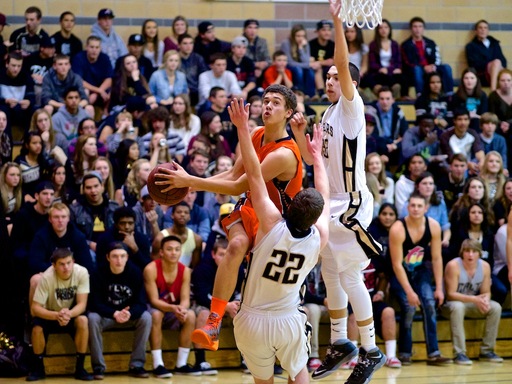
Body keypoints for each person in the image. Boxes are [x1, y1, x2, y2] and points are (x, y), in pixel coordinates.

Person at [156, 83, 303, 351]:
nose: (268, 105)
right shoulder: (257, 134)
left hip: (277, 222)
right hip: (251, 208)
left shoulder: (284, 154)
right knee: (234, 245)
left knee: (265, 292)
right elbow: (233, 175)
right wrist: (194, 184)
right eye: (265, 100)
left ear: (288, 112)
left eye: (276, 103)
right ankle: (213, 322)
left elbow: (240, 185)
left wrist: (193, 179)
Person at [290, 1, 385, 381]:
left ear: (348, 83)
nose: (330, 80)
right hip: (332, 203)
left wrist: (337, 21)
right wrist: (300, 138)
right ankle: (342, 342)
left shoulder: (351, 106)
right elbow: (317, 163)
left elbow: (343, 65)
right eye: (326, 77)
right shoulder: (327, 114)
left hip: (352, 205)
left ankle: (372, 350)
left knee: (348, 277)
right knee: (329, 271)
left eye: (335, 76)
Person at [229, 89, 328, 383]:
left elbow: (255, 178)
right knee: (299, 374)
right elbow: (324, 192)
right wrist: (317, 158)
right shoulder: (318, 240)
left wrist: (242, 130)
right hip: (288, 319)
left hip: (250, 319)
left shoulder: (272, 223)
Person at [389, 193, 453, 365]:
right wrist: (409, 291)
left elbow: (437, 258)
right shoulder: (398, 228)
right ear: (408, 207)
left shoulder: (433, 226)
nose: (416, 209)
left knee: (430, 304)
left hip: (421, 271)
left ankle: (434, 353)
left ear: (426, 208)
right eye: (413, 206)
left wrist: (439, 287)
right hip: (399, 272)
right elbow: (396, 265)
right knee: (409, 307)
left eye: (419, 206)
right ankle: (404, 352)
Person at [88, 241, 152, 379]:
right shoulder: (98, 273)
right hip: (107, 316)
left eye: (122, 256)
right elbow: (94, 303)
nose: (119, 260)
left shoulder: (135, 273)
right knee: (92, 318)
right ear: (108, 257)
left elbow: (141, 303)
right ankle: (98, 367)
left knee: (146, 317)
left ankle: (137, 365)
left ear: (127, 257)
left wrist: (129, 313)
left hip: (128, 315)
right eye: (115, 256)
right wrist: (113, 313)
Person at [26, 248, 92, 381]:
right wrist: (56, 315)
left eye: (68, 263)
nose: (66, 267)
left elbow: (82, 304)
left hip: (70, 314)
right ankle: (39, 369)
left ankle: (80, 368)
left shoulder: (82, 272)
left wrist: (68, 314)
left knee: (83, 320)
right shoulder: (46, 277)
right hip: (50, 314)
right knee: (37, 328)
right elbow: (35, 309)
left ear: (73, 262)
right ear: (54, 265)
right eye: (61, 264)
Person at [143, 235, 201, 377]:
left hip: (174, 310)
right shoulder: (151, 269)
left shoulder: (185, 271)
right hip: (156, 308)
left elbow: (186, 299)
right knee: (156, 314)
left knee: (191, 315)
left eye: (177, 249)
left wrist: (181, 309)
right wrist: (173, 308)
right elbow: (153, 300)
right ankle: (158, 364)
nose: (173, 252)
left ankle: (181, 364)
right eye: (169, 249)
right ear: (161, 252)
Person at [442, 239, 503, 364]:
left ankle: (487, 351)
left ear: (479, 253)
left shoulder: (485, 266)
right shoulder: (453, 265)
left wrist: (485, 300)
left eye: (474, 251)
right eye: (467, 251)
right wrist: (475, 299)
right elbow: (450, 294)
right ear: (462, 253)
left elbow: (486, 291)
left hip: (470, 303)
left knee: (495, 307)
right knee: (458, 307)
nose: (470, 255)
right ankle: (459, 353)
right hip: (449, 305)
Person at [192, 238, 236, 374]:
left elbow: (241, 291)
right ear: (213, 254)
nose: (224, 258)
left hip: (228, 305)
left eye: (227, 254)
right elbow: (202, 297)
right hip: (202, 304)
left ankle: (246, 359)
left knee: (242, 313)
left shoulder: (236, 269)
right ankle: (200, 361)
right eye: (221, 254)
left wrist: (233, 305)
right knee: (205, 314)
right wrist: (225, 306)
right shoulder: (202, 270)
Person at [69, 172, 119, 257]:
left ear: (102, 186)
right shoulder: (75, 210)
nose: (93, 191)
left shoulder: (114, 207)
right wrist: (89, 244)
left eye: (96, 186)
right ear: (83, 190)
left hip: (112, 245)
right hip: (87, 247)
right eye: (88, 188)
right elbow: (73, 234)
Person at [401, 17, 454, 96]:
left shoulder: (430, 42)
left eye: (420, 26)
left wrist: (434, 66)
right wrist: (423, 67)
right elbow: (407, 62)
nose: (417, 29)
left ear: (423, 28)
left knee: (447, 67)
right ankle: (420, 95)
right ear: (411, 29)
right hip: (416, 70)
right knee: (417, 69)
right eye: (415, 26)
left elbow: (437, 57)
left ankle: (450, 94)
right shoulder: (406, 45)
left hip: (432, 68)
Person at [96, 205, 151, 271]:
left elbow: (147, 266)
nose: (127, 227)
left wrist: (135, 248)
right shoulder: (104, 239)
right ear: (116, 224)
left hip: (135, 276)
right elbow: (100, 265)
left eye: (130, 223)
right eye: (122, 223)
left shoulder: (142, 239)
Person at [365, 86, 409, 166]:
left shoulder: (398, 112)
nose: (385, 102)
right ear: (378, 100)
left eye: (388, 99)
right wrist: (386, 146)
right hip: (377, 146)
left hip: (393, 146)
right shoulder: (371, 111)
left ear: (393, 100)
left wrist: (395, 145)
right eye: (382, 99)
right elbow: (370, 134)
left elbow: (405, 134)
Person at [152, 201, 202, 268]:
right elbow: (154, 265)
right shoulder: (160, 238)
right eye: (179, 212)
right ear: (172, 215)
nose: (182, 215)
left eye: (186, 212)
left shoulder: (196, 239)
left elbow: (195, 267)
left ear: (189, 217)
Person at [71, 35, 113, 113]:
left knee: (112, 91)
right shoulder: (79, 58)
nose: (94, 50)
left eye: (97, 47)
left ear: (100, 48)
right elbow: (79, 81)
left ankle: (106, 114)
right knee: (85, 91)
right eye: (92, 47)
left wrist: (98, 92)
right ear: (86, 47)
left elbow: (109, 79)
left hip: (100, 89)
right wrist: (98, 91)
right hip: (86, 89)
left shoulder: (105, 58)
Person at [440, 108, 485, 175]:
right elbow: (451, 157)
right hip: (452, 167)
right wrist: (467, 164)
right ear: (454, 121)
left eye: (465, 119)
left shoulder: (473, 133)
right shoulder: (446, 136)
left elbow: (478, 150)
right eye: (460, 119)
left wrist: (481, 161)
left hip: (470, 166)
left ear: (469, 121)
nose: (463, 123)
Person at [465, 20, 507, 91]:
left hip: (499, 72)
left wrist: (496, 65)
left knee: (501, 67)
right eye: (480, 28)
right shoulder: (471, 46)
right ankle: (493, 91)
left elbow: (503, 60)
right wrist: (492, 64)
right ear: (476, 31)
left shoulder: (495, 44)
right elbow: (473, 64)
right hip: (482, 74)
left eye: (485, 28)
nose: (483, 30)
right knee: (496, 63)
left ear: (488, 31)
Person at [367, 19, 403, 99]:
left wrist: (390, 69)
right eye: (381, 28)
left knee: (401, 77)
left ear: (389, 29)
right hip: (379, 72)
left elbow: (398, 62)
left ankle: (388, 95)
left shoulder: (394, 44)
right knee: (377, 77)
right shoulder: (373, 45)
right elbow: (372, 63)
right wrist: (381, 69)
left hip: (391, 72)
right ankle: (388, 94)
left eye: (386, 27)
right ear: (377, 30)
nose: (383, 30)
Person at [281, 24, 318, 98]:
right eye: (298, 36)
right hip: (290, 66)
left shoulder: (305, 44)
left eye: (303, 36)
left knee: (310, 71)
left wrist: (301, 48)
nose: (300, 38)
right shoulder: (286, 43)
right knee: (299, 70)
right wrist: (307, 65)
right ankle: (299, 94)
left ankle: (310, 95)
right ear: (293, 36)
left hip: (302, 66)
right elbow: (289, 62)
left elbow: (306, 60)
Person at [178, 34, 208, 107]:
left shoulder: (198, 58)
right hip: (179, 91)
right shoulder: (174, 58)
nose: (188, 46)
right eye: (185, 43)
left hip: (195, 91)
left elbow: (204, 75)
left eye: (191, 43)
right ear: (179, 45)